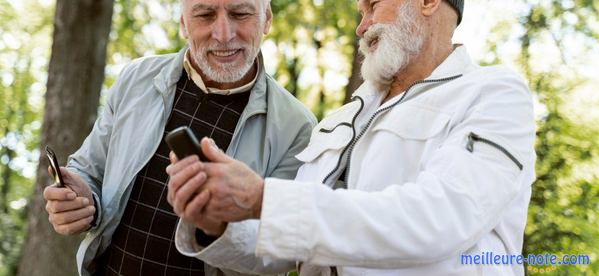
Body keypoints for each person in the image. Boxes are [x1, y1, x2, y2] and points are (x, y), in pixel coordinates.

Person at [167, 0, 537, 275]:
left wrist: (261, 197)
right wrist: (218, 220)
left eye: (372, 6)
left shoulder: (494, 94)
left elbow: (440, 219)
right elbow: (287, 247)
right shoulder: (341, 119)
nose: (362, 27)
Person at [42, 0, 316, 275]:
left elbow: (279, 251)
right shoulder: (135, 80)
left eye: (240, 13)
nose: (223, 34)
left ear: (266, 19)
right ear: (184, 24)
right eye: (205, 15)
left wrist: (218, 226)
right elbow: (90, 170)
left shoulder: (298, 128)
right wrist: (82, 199)